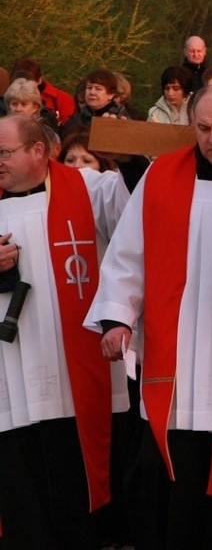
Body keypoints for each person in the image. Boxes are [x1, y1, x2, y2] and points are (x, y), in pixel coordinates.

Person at [84, 86, 212, 549]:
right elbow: (129, 255)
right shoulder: (163, 175)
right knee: (170, 486)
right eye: (203, 128)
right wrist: (117, 318)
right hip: (178, 355)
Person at [0, 115, 129, 548]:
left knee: (74, 475)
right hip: (10, 367)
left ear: (38, 151)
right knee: (23, 477)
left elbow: (137, 210)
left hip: (73, 361)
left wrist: (129, 153)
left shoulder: (87, 188)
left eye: (4, 153)